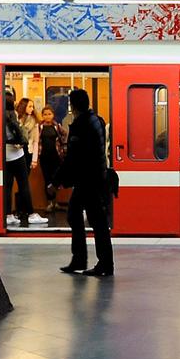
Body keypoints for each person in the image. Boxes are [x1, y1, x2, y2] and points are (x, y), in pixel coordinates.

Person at [54, 88, 114, 276]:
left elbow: (73, 158)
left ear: (72, 106)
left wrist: (56, 180)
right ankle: (89, 260)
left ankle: (96, 262)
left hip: (88, 181)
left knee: (90, 220)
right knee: (93, 220)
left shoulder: (81, 125)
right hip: (97, 178)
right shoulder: (97, 120)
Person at [2, 94, 36, 228]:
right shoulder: (11, 114)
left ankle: (8, 214)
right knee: (24, 184)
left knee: (8, 186)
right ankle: (31, 214)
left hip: (5, 154)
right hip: (16, 154)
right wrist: (22, 141)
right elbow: (16, 131)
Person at [37, 106, 66, 212]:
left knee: (55, 180)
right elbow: (36, 141)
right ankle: (50, 202)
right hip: (44, 157)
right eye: (45, 114)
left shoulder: (56, 126)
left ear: (53, 115)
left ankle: (56, 202)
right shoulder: (39, 127)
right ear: (42, 116)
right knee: (47, 180)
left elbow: (65, 134)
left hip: (56, 156)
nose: (47, 116)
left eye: (49, 114)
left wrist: (61, 143)